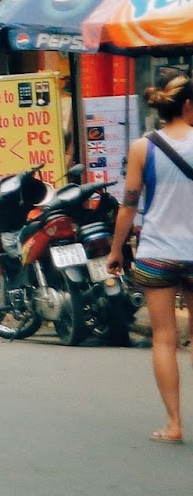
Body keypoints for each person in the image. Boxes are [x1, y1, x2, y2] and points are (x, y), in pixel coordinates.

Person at [109, 72, 193, 442]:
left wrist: (116, 249)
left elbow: (129, 205)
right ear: (187, 105)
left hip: (157, 253)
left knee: (164, 339)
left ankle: (174, 424)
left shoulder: (143, 148)